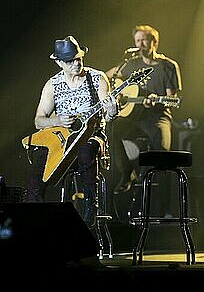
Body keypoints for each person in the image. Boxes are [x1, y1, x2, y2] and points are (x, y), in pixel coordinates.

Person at [24, 36, 118, 226]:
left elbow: (106, 118)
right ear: (59, 63)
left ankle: (89, 215)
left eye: (78, 58)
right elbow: (38, 121)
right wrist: (57, 120)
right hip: (62, 141)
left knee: (86, 149)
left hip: (91, 137)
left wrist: (111, 112)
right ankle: (31, 221)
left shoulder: (97, 78)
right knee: (39, 163)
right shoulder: (52, 84)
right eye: (69, 61)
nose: (75, 63)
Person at [106, 24, 182, 208]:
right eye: (137, 41)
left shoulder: (168, 66)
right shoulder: (131, 63)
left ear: (154, 42)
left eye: (144, 40)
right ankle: (127, 173)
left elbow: (172, 98)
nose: (140, 44)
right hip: (133, 116)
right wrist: (116, 92)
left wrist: (158, 100)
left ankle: (161, 205)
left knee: (162, 153)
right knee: (111, 130)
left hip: (158, 115)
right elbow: (107, 77)